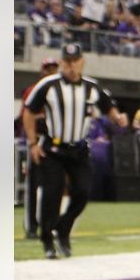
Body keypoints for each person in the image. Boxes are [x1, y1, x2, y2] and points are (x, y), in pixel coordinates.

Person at [22, 43, 114, 259]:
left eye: (75, 62)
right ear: (63, 63)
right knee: (51, 194)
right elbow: (29, 112)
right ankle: (47, 240)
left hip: (78, 149)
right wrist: (33, 143)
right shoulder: (48, 85)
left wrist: (117, 117)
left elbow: (109, 107)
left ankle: (63, 229)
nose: (71, 66)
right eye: (67, 62)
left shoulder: (92, 87)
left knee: (82, 192)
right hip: (52, 148)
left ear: (82, 62)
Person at [20, 57, 58, 240]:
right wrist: (31, 140)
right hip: (37, 140)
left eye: (53, 68)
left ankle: (48, 225)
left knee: (52, 185)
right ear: (42, 70)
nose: (51, 71)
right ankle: (31, 226)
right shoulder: (32, 91)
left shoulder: (60, 91)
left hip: (55, 142)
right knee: (33, 185)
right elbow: (26, 116)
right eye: (47, 68)